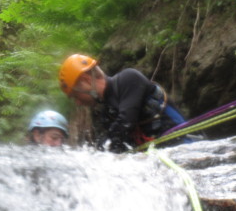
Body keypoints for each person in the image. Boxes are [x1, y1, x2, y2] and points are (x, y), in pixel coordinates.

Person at [58, 54, 187, 153]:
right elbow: (117, 146)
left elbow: (126, 122)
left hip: (185, 144)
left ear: (86, 80)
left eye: (75, 95)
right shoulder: (108, 113)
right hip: (162, 154)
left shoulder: (128, 79)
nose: (78, 102)